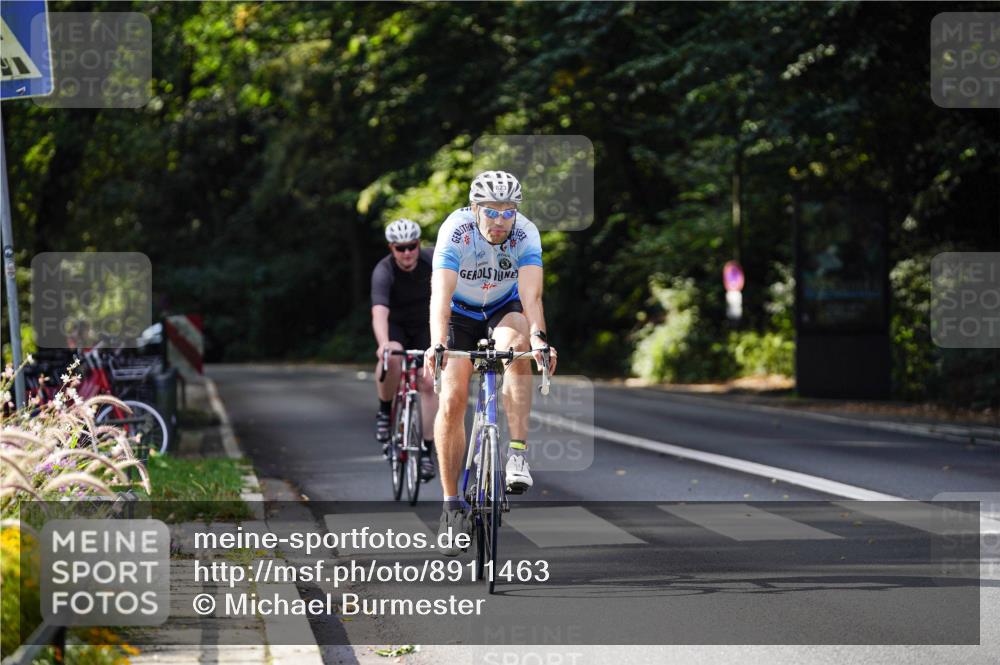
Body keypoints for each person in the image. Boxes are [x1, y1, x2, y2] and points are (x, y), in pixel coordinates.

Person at [425, 171, 557, 556]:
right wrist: (437, 343)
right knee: (452, 398)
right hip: (460, 315)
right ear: (474, 208)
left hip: (503, 309)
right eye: (491, 212)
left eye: (508, 211)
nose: (500, 221)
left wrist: (540, 341)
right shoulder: (455, 231)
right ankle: (452, 506)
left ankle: (516, 453)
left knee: (517, 348)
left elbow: (532, 298)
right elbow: (441, 298)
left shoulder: (526, 233)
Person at [370, 219, 437, 481]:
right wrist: (383, 343)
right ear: (392, 249)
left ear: (418, 244)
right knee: (391, 358)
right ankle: (385, 412)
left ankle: (426, 452)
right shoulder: (383, 271)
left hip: (425, 326)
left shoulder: (432, 261)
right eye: (400, 248)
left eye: (411, 246)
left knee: (430, 382)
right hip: (396, 326)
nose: (407, 253)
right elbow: (379, 312)